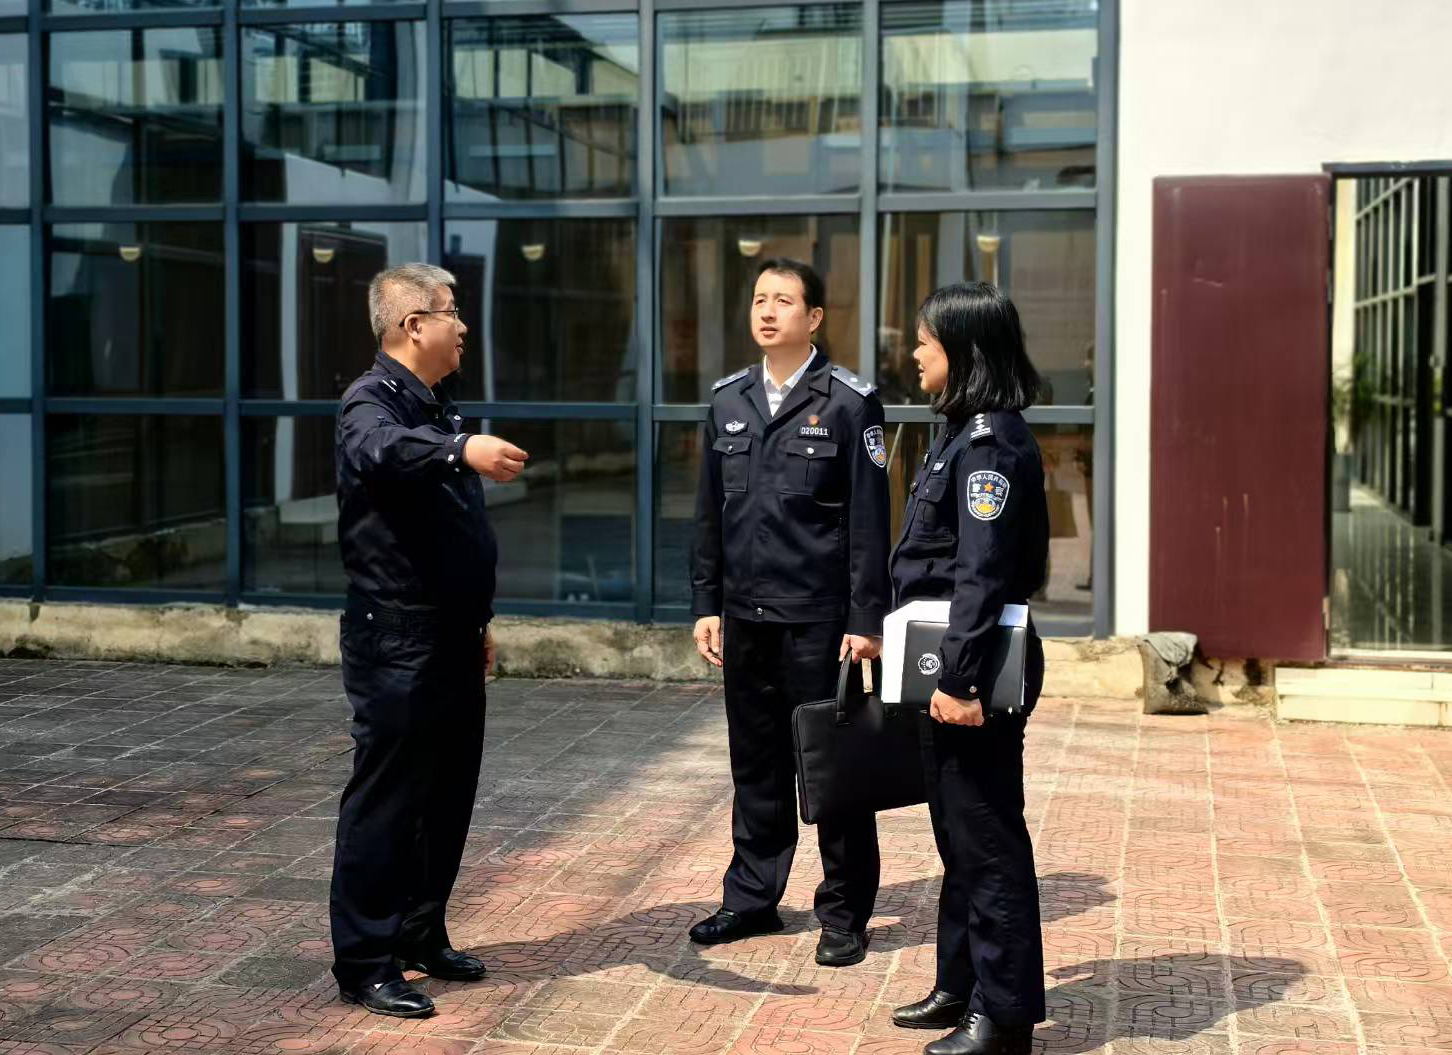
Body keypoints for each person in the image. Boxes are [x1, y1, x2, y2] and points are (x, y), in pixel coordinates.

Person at [330, 263, 529, 1018]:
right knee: (387, 800)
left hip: (450, 635)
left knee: (446, 796)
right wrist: (461, 450)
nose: (462, 325)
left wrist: (478, 620)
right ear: (414, 325)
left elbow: (450, 529)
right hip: (397, 639)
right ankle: (365, 961)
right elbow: (381, 451)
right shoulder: (370, 402)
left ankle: (420, 931)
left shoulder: (436, 402)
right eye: (451, 312)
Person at [688, 258, 891, 967]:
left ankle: (844, 912)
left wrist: (866, 620)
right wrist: (706, 603)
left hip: (820, 623)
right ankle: (751, 898)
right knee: (756, 764)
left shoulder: (848, 403)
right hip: (745, 620)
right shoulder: (728, 401)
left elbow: (869, 523)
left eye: (783, 300)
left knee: (833, 769)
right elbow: (709, 514)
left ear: (814, 317)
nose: (768, 311)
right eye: (759, 299)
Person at [887, 283, 1049, 1055]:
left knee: (987, 842)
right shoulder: (958, 430)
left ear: (965, 350)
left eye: (926, 341)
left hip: (973, 671)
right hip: (946, 661)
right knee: (957, 836)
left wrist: (959, 681)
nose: (915, 352)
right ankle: (961, 984)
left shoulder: (990, 444)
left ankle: (1004, 1018)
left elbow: (981, 575)